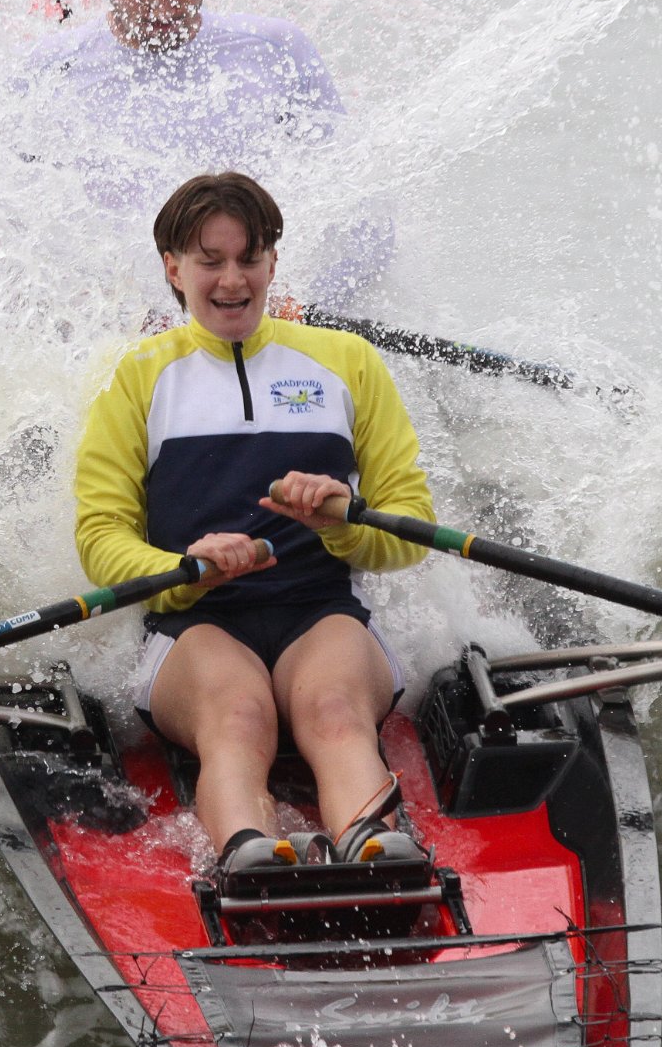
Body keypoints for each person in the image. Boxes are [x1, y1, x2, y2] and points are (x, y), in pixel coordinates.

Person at [73, 171, 434, 877]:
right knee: (238, 717)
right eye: (210, 260)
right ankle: (248, 857)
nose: (233, 280)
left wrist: (345, 523)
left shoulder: (348, 362)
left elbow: (410, 525)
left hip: (321, 613)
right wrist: (183, 566)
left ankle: (378, 850)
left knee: (334, 710)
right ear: (173, 268)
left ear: (273, 262)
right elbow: (100, 538)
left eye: (250, 258)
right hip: (194, 625)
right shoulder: (137, 379)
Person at [12, 0, 390, 309]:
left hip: (252, 312)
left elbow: (367, 217)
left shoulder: (278, 52)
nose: (164, 8)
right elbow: (6, 231)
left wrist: (305, 300)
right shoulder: (46, 74)